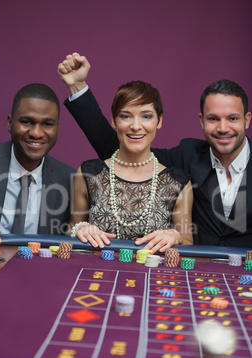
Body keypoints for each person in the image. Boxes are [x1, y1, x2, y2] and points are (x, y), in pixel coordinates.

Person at [58, 53, 252, 248]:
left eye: (233, 118)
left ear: (247, 119)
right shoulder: (187, 155)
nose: (223, 128)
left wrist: (176, 236)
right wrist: (77, 87)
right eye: (213, 119)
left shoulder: (176, 177)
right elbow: (125, 148)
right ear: (202, 120)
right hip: (201, 268)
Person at [67, 80, 193, 254]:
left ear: (159, 120)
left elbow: (188, 243)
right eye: (125, 116)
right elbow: (69, 234)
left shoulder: (178, 182)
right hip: (98, 276)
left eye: (146, 116)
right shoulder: (88, 173)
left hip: (152, 276)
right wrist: (80, 230)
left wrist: (176, 236)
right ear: (113, 120)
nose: (135, 126)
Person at [0, 83, 76, 246]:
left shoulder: (71, 180)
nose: (36, 133)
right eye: (27, 122)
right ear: (9, 123)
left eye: (47, 124)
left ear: (57, 128)